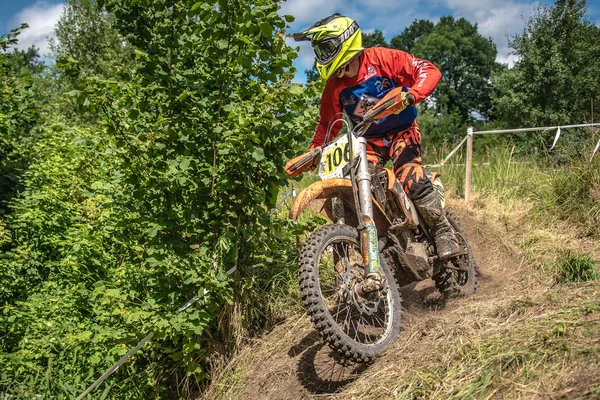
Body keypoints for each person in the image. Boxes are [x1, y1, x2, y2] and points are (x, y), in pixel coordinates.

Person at [293, 13, 459, 261]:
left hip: (403, 131)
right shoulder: (334, 87)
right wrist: (314, 151)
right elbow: (327, 123)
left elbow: (427, 69)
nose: (323, 55)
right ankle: (384, 239)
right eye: (320, 50)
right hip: (368, 141)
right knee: (356, 185)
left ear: (344, 40)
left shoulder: (382, 58)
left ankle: (442, 230)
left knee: (410, 176)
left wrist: (411, 95)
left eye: (326, 47)